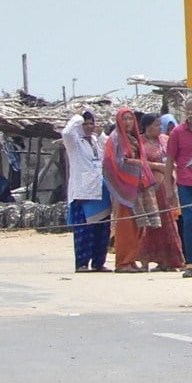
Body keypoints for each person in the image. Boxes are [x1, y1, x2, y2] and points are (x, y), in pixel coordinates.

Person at [104, 106, 163, 272]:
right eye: (125, 119)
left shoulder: (133, 139)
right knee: (126, 225)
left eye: (130, 119)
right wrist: (138, 165)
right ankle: (122, 262)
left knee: (139, 224)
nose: (128, 122)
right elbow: (111, 162)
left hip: (139, 187)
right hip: (124, 189)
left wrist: (140, 166)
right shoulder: (115, 139)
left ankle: (131, 260)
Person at [61, 110, 110, 272]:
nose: (89, 127)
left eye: (91, 123)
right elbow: (66, 132)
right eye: (85, 124)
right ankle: (82, 263)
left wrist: (101, 134)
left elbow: (107, 148)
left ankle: (98, 262)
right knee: (84, 230)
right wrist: (77, 117)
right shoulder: (74, 142)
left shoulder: (95, 140)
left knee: (102, 229)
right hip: (82, 191)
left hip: (99, 189)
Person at [136, 111, 185, 272]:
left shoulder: (165, 140)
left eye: (159, 124)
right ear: (147, 127)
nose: (159, 128)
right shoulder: (140, 143)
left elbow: (173, 158)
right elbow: (137, 162)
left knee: (168, 223)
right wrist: (158, 167)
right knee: (149, 224)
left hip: (166, 187)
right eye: (156, 125)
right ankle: (145, 260)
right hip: (149, 188)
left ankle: (168, 261)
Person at [165, 97, 192, 278]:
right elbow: (169, 162)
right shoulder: (177, 133)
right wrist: (169, 188)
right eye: (188, 108)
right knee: (191, 221)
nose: (191, 112)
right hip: (185, 184)